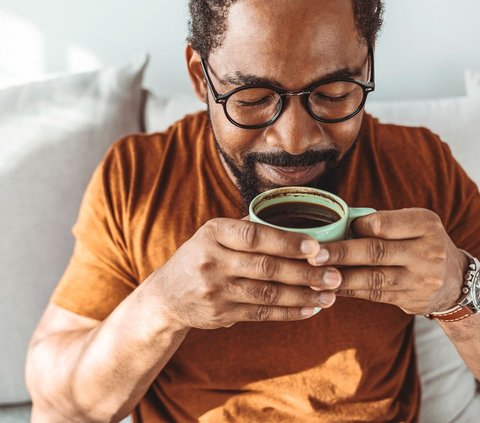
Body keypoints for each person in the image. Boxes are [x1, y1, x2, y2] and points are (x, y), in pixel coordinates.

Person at [26, 0, 480, 421]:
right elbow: (60, 403)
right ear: (201, 78)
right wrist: (164, 306)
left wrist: (459, 290)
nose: (294, 139)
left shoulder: (420, 165)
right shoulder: (138, 178)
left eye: (333, 93)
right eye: (253, 99)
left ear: (368, 65)